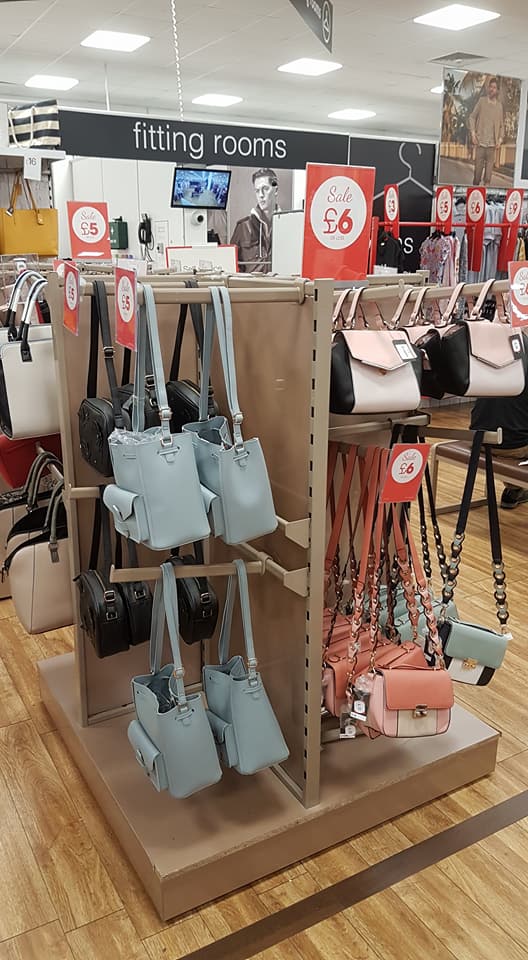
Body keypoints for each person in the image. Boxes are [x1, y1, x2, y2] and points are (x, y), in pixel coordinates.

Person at [470, 378, 528, 509]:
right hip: (511, 446)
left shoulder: (496, 368)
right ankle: (514, 489)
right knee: (514, 437)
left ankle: (514, 489)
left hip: (479, 441)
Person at [230, 168, 278, 273]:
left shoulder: (289, 226)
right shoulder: (243, 227)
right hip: (251, 283)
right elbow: (231, 265)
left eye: (265, 189)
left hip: (282, 282)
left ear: (275, 189)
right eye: (257, 190)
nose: (261, 195)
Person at [469, 78, 504, 186]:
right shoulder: (482, 101)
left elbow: (502, 125)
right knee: (477, 176)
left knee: (488, 178)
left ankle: (485, 194)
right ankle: (474, 194)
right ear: (488, 88)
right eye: (490, 87)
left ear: (497, 90)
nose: (492, 89)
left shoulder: (499, 106)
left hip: (492, 146)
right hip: (480, 143)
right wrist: (473, 134)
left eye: (494, 88)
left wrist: (500, 139)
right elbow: (472, 117)